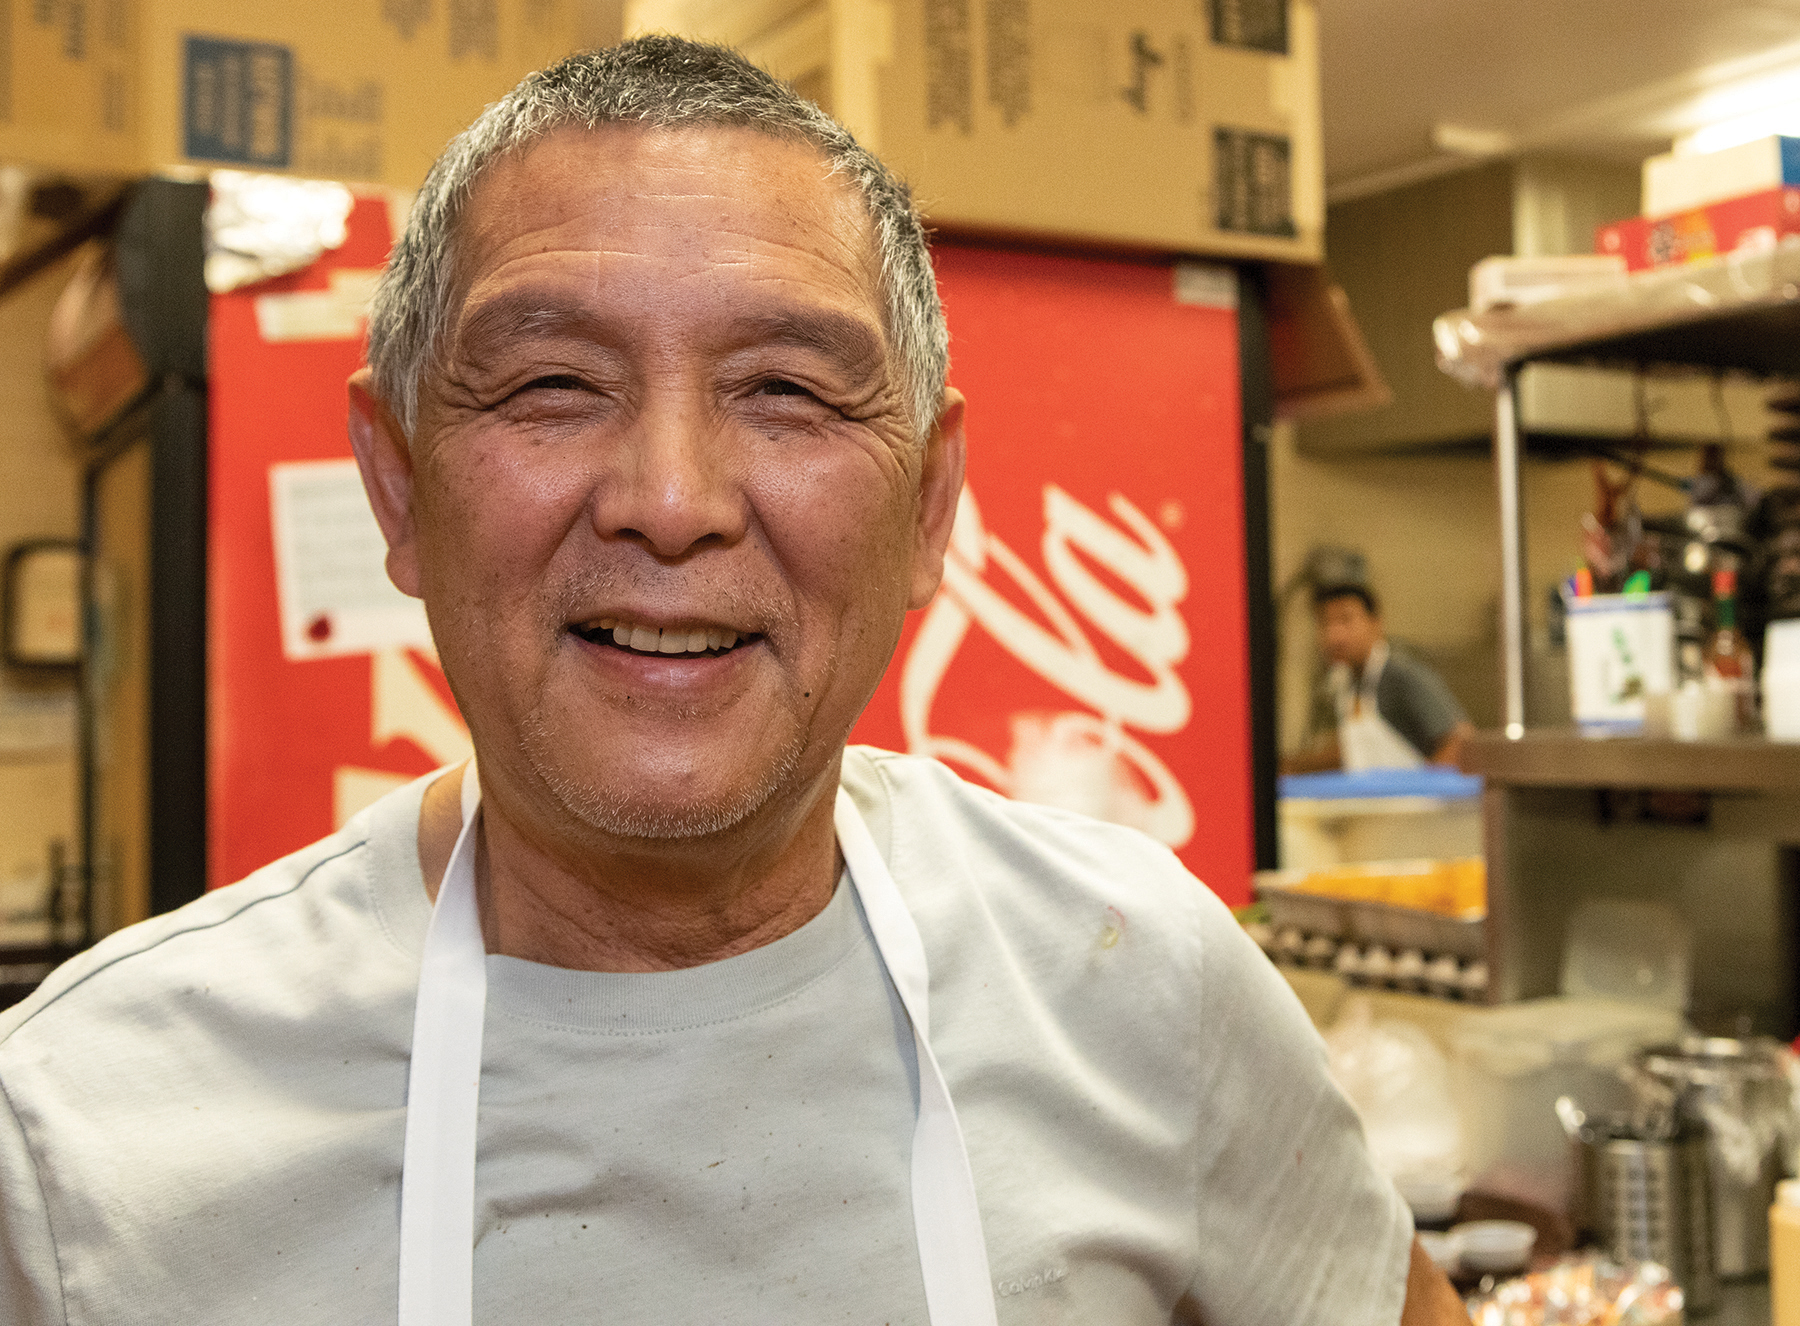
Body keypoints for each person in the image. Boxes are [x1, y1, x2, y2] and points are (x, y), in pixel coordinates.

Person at [0, 39, 1469, 1326]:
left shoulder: (1140, 976)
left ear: (931, 503)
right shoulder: (80, 1136)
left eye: (788, 389)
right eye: (553, 384)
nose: (673, 496)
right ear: (395, 486)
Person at [1285, 583, 1474, 774]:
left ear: (1375, 623)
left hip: (1415, 802)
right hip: (1373, 802)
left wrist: (1426, 788)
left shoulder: (1400, 674)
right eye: (1325, 623)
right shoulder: (1344, 682)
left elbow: (1460, 741)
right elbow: (1351, 750)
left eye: (1345, 620)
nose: (1335, 635)